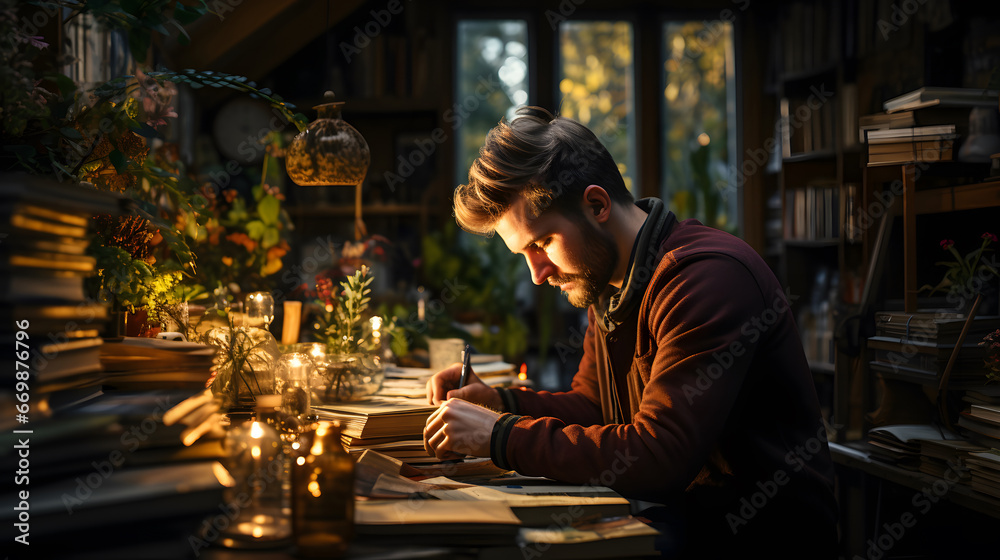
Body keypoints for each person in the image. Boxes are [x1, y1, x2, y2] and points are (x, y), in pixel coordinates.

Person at [423, 106, 840, 558]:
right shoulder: (607, 282)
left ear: (597, 204)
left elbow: (661, 455)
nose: (538, 275)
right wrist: (499, 402)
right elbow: (595, 407)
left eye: (541, 244)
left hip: (763, 539)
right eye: (524, 253)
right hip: (683, 520)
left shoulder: (705, 279)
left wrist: (501, 435)